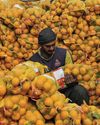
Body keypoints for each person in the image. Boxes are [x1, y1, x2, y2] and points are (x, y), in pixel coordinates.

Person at [29, 27, 89, 105]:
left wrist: (72, 79)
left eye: (53, 45)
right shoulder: (33, 61)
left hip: (65, 91)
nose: (51, 48)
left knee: (80, 91)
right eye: (48, 46)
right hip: (47, 97)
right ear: (40, 45)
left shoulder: (64, 54)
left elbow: (73, 72)